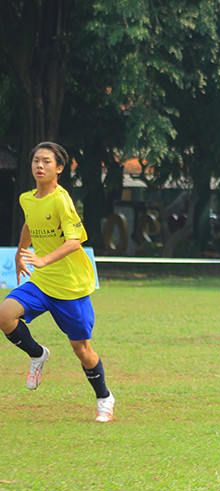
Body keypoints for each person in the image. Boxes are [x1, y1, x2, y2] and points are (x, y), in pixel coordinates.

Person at [1, 142, 115, 422]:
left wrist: (42, 259)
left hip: (70, 288)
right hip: (41, 283)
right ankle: (38, 354)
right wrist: (20, 252)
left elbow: (75, 242)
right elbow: (30, 223)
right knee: (5, 315)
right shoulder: (27, 198)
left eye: (47, 162)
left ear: (59, 169)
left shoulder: (62, 199)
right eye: (36, 160)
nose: (39, 165)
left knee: (82, 351)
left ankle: (104, 398)